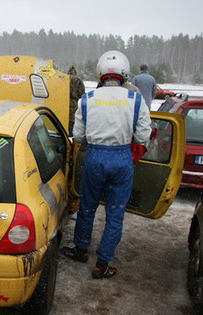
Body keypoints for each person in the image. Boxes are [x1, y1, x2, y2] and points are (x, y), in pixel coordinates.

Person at [61, 51, 152, 279]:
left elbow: (79, 137)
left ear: (100, 73)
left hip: (95, 159)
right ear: (125, 73)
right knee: (114, 214)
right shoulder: (137, 100)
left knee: (88, 207)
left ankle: (81, 249)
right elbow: (142, 138)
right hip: (122, 160)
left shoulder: (87, 100)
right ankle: (102, 264)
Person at [68, 66, 85, 135]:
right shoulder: (78, 80)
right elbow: (82, 93)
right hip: (74, 102)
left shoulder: (63, 79)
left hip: (63, 101)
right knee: (72, 118)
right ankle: (71, 133)